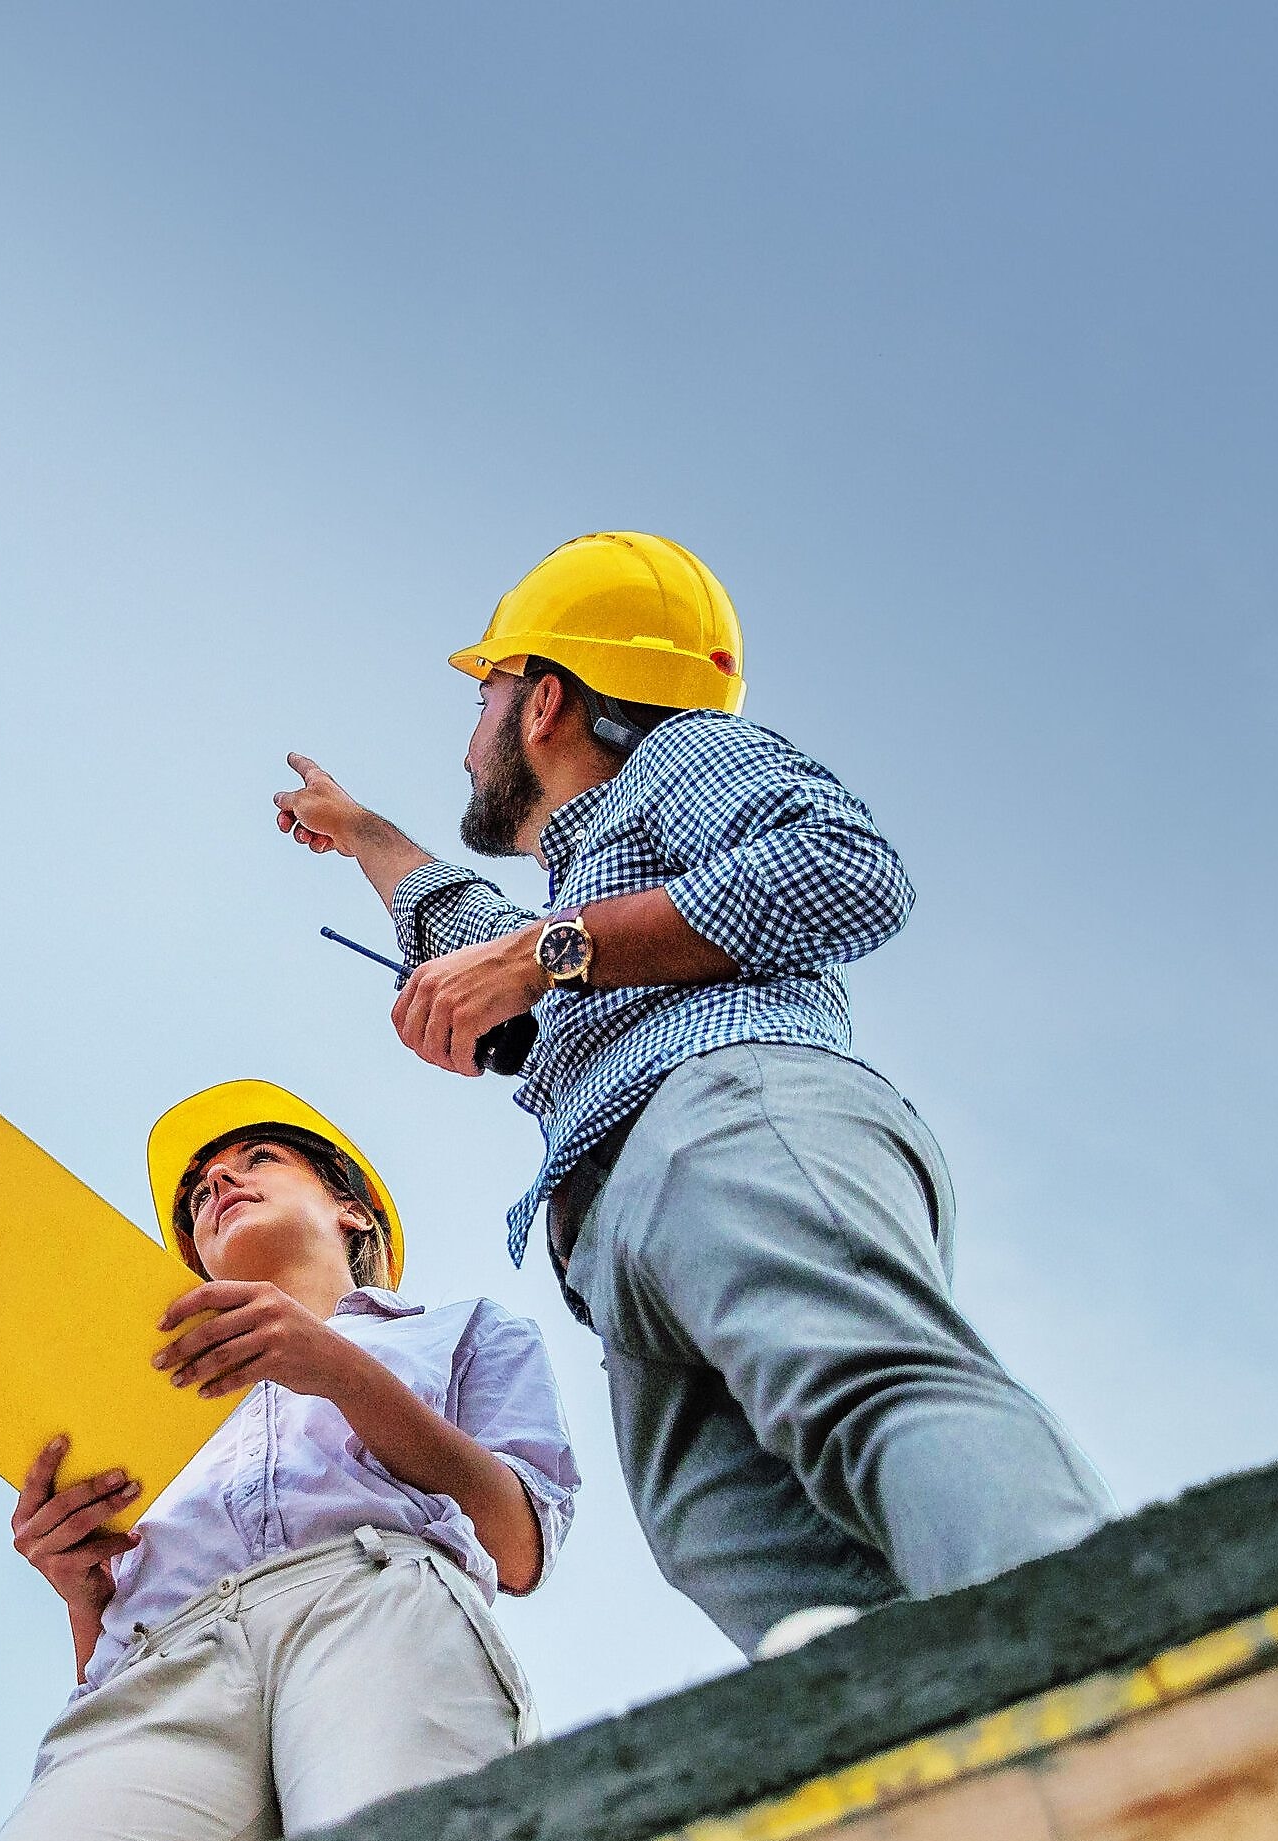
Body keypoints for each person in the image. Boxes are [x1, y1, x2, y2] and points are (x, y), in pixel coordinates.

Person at [270, 531, 1109, 1661]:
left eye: (485, 698)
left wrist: (544, 956)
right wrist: (368, 836)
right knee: (740, 1544)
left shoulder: (682, 759)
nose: (468, 746)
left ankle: (1110, 1648)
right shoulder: (595, 878)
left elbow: (844, 870)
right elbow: (488, 937)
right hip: (622, 1228)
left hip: (730, 1113)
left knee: (857, 1380)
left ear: (545, 702)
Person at [0, 1081, 576, 1841]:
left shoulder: (460, 1331)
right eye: (198, 1197)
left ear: (350, 1208)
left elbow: (520, 1540)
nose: (218, 1185)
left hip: (369, 1605)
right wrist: (80, 1591)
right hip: (164, 1664)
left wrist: (338, 1369)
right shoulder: (140, 1395)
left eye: (256, 1160)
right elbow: (108, 1655)